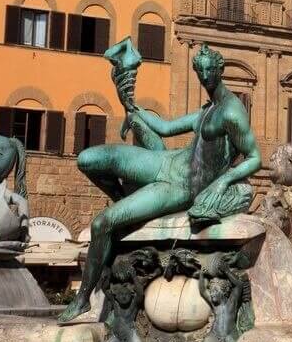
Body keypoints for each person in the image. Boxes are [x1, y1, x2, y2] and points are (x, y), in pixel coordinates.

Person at [60, 45, 261, 323]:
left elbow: (254, 158)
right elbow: (165, 128)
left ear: (219, 70)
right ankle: (124, 203)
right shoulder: (207, 110)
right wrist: (133, 109)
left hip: (181, 187)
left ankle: (82, 300)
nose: (203, 76)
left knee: (100, 224)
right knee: (88, 159)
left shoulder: (231, 112)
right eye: (199, 71)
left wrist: (222, 182)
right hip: (166, 162)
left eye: (208, 70)